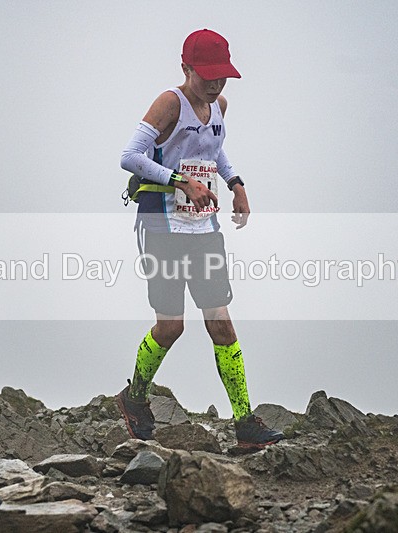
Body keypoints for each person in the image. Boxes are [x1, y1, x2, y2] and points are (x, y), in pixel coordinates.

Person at [117, 29, 284, 449]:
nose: (215, 84)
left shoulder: (219, 105)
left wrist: (236, 182)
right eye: (207, 76)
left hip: (204, 228)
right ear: (186, 68)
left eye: (222, 76)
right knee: (171, 327)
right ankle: (134, 398)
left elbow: (214, 148)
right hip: (161, 226)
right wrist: (180, 181)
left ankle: (245, 424)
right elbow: (129, 157)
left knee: (221, 323)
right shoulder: (170, 102)